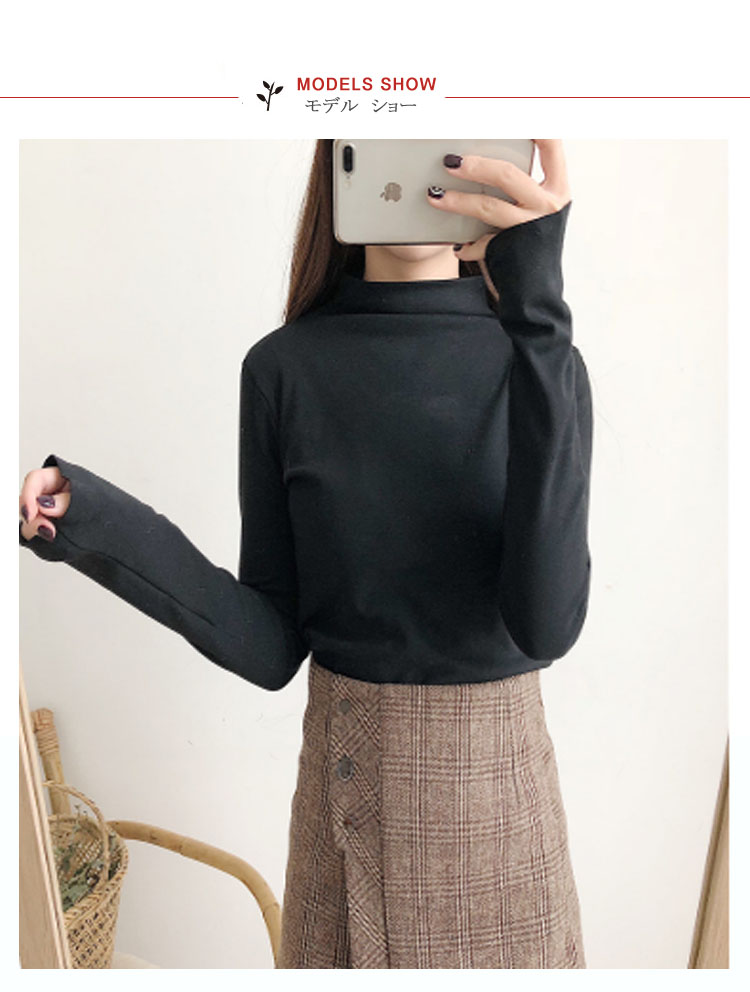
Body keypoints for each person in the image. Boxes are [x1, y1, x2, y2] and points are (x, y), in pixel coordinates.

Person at [19, 138, 592, 968]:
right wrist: (94, 521)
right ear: (342, 157)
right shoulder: (283, 368)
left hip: (501, 827)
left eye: (447, 141)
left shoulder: (537, 360)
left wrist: (538, 298)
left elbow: (545, 625)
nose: (425, 169)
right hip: (340, 813)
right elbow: (270, 643)